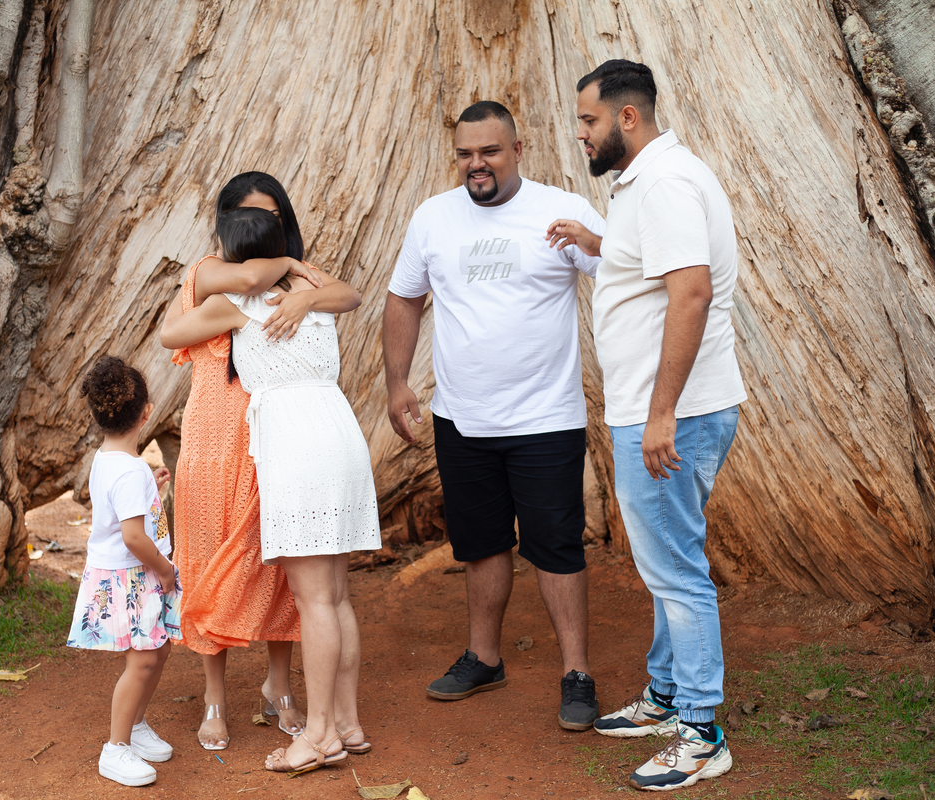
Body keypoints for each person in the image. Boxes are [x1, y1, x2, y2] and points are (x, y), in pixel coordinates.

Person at [549, 59, 746, 790]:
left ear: (626, 117)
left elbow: (690, 293)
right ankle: (667, 695)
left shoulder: (663, 184)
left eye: (589, 120)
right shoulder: (650, 180)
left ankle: (700, 731)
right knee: (667, 560)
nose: (581, 133)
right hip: (669, 410)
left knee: (676, 571)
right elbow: (653, 263)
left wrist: (661, 413)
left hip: (671, 414)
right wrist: (597, 243)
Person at [382, 100, 606, 731]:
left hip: (545, 419)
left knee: (556, 547)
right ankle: (484, 658)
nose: (476, 164)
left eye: (489, 151)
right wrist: (397, 382)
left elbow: (621, 271)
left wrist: (598, 243)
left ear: (517, 150)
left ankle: (577, 673)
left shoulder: (560, 211)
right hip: (462, 419)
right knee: (480, 543)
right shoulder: (433, 217)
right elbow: (404, 299)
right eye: (465, 153)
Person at [162, 206, 380, 774]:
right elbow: (351, 294)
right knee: (336, 595)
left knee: (314, 601)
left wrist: (231, 283)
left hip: (294, 441)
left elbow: (170, 334)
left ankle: (319, 736)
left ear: (233, 254)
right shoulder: (312, 287)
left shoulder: (235, 304)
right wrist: (295, 274)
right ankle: (348, 724)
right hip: (338, 429)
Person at [67, 356, 182, 787]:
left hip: (129, 573)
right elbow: (134, 538)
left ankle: (134, 725)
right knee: (143, 660)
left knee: (158, 652)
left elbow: (124, 514)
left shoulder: (109, 459)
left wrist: (152, 489)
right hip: (133, 576)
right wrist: (165, 571)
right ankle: (115, 748)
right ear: (147, 412)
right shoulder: (130, 471)